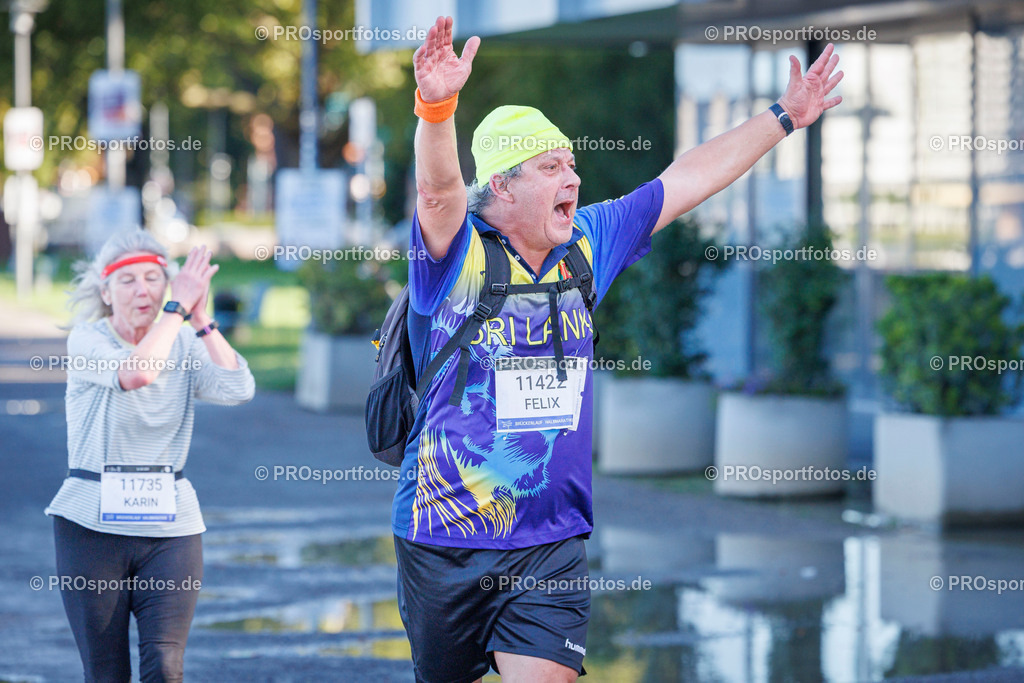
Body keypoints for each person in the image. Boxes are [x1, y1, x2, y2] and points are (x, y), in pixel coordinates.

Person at [395, 15, 843, 683]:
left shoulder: (587, 243)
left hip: (552, 541)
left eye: (572, 162)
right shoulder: (454, 257)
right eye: (551, 166)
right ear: (503, 188)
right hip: (444, 536)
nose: (572, 177)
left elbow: (688, 179)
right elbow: (438, 190)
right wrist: (437, 108)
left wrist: (784, 115)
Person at [45, 229, 255, 681]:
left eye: (154, 279)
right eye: (128, 280)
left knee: (165, 663)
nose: (143, 290)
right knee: (106, 671)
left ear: (168, 285)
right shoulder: (87, 341)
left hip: (170, 527)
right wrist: (176, 310)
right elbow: (137, 372)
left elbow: (239, 388)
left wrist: (200, 320)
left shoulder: (182, 342)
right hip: (90, 526)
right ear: (105, 291)